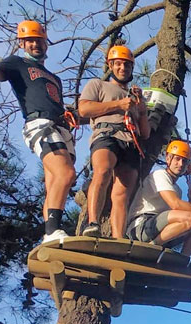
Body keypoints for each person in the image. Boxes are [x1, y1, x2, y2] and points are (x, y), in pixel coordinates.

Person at [0, 20, 76, 243]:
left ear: (46, 43)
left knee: (54, 182)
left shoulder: (55, 78)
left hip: (60, 126)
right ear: (22, 43)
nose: (35, 44)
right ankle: (52, 231)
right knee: (65, 173)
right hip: (39, 124)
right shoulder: (16, 63)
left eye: (39, 40)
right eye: (30, 40)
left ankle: (50, 233)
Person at [78, 45, 150, 239]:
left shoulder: (135, 98)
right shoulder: (98, 85)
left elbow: (145, 133)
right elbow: (84, 110)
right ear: (110, 65)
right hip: (107, 134)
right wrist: (118, 104)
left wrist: (141, 110)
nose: (122, 68)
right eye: (118, 64)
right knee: (102, 171)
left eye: (126, 64)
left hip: (130, 141)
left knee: (122, 194)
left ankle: (119, 238)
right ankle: (92, 222)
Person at [125, 140, 191, 254]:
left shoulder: (177, 190)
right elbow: (175, 204)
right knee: (190, 218)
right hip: (141, 227)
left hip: (159, 230)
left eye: (184, 161)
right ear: (168, 158)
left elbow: (175, 217)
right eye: (177, 159)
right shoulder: (160, 175)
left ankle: (182, 260)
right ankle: (150, 247)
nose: (181, 164)